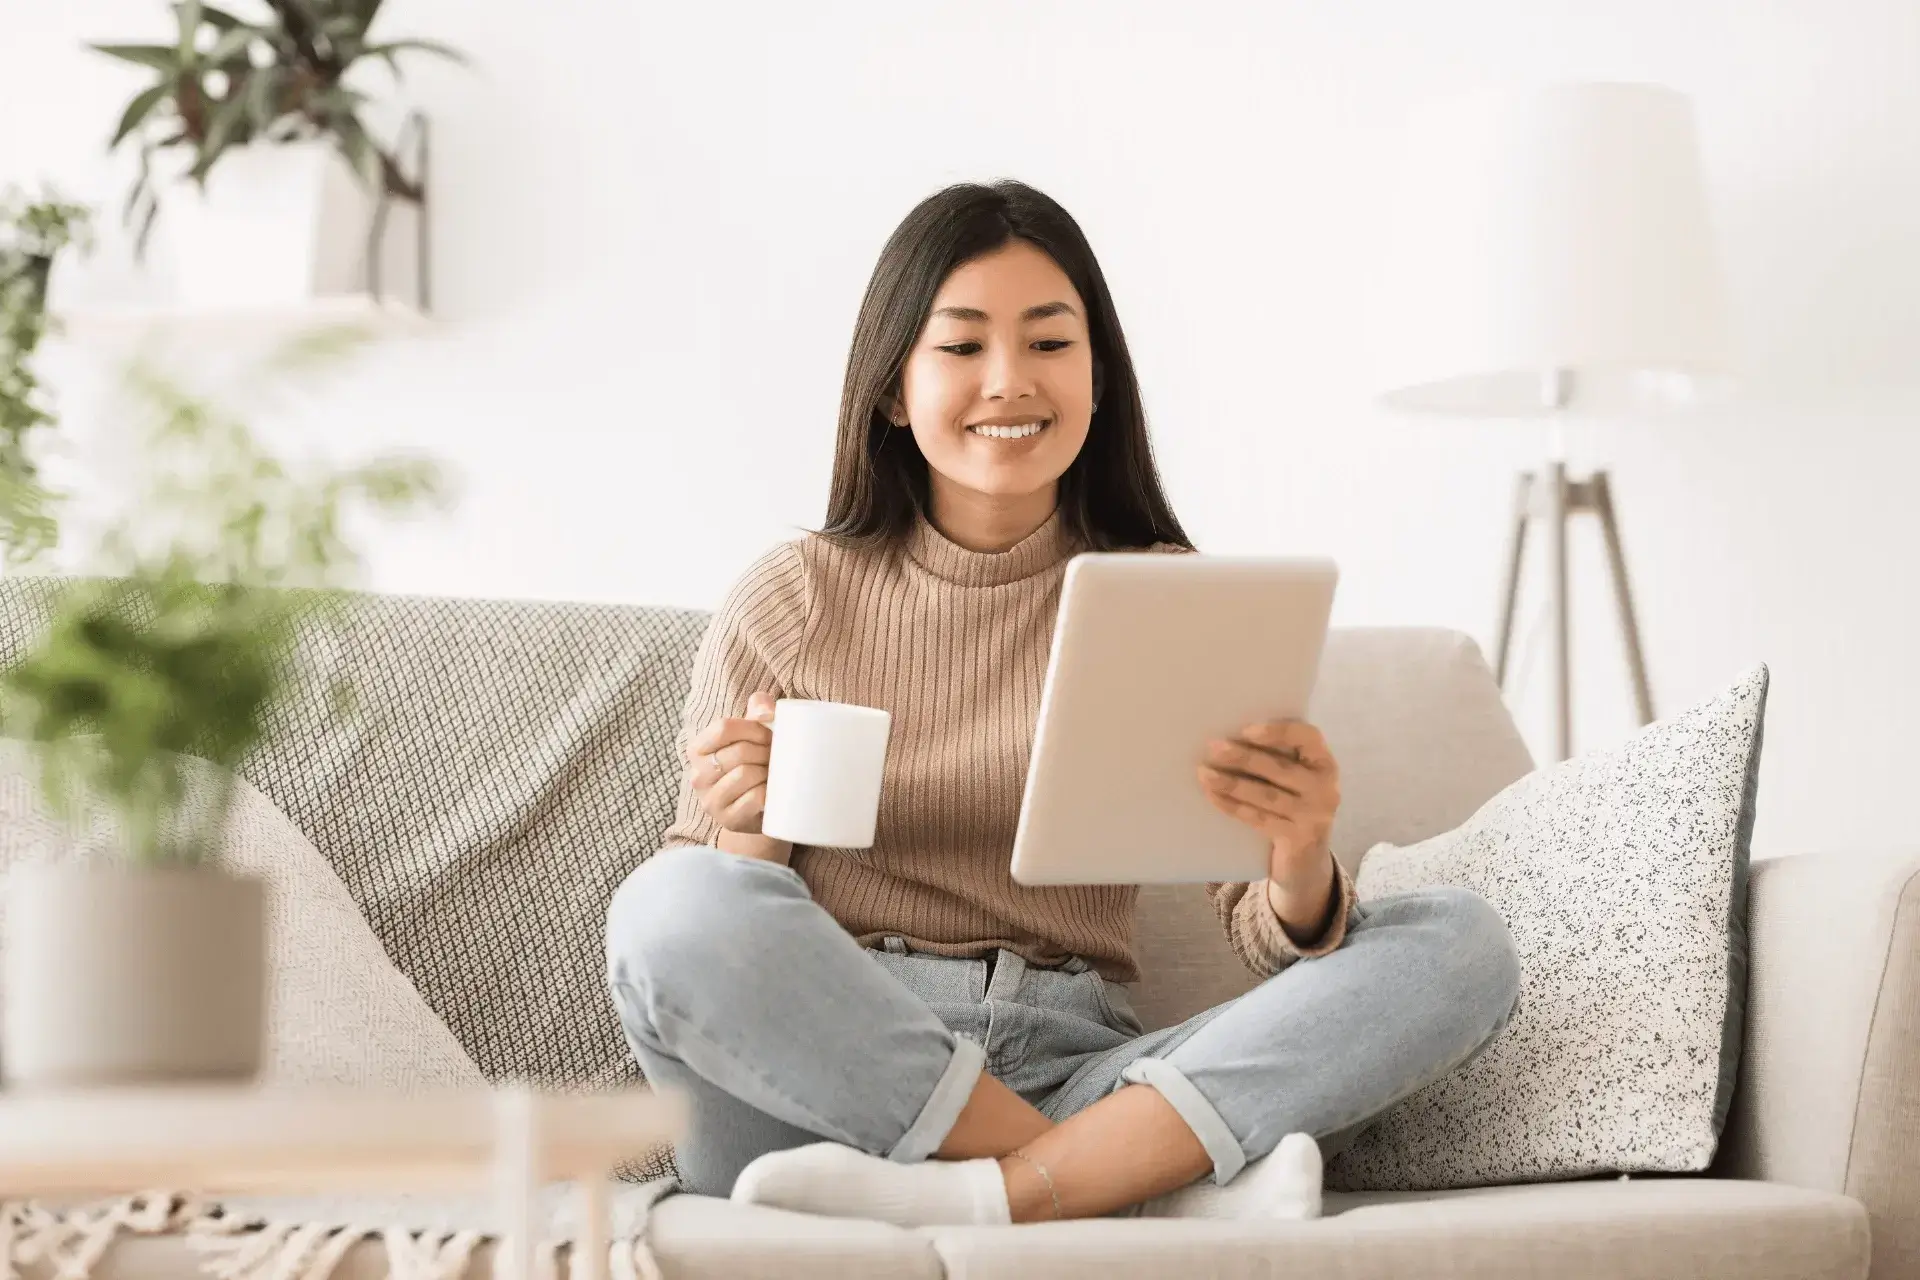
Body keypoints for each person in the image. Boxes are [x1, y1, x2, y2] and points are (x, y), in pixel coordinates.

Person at [604, 180, 1520, 1228]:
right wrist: (744, 824)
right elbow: (712, 938)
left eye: (1049, 343)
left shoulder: (1167, 594)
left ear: (1097, 381)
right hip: (824, 1092)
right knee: (668, 902)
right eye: (961, 347)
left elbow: (1264, 932)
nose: (1010, 380)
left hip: (1075, 1058)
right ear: (894, 388)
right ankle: (1109, 1181)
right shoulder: (793, 596)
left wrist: (1299, 855)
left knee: (1460, 944)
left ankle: (1016, 1183)